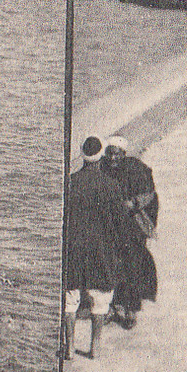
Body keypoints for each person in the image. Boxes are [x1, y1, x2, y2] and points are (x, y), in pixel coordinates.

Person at [62, 136, 129, 359]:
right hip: (101, 250)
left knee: (70, 299)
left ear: (82, 155)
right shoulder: (111, 186)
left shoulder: (70, 182)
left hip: (74, 248)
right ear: (101, 156)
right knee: (100, 300)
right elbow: (120, 223)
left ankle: (69, 347)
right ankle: (95, 347)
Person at [101, 136, 158, 330]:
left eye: (117, 154)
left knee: (132, 265)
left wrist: (133, 203)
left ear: (123, 155)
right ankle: (115, 306)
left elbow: (149, 194)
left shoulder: (136, 169)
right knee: (112, 265)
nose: (113, 158)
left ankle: (131, 309)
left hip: (132, 226)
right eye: (109, 153)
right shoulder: (102, 169)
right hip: (111, 226)